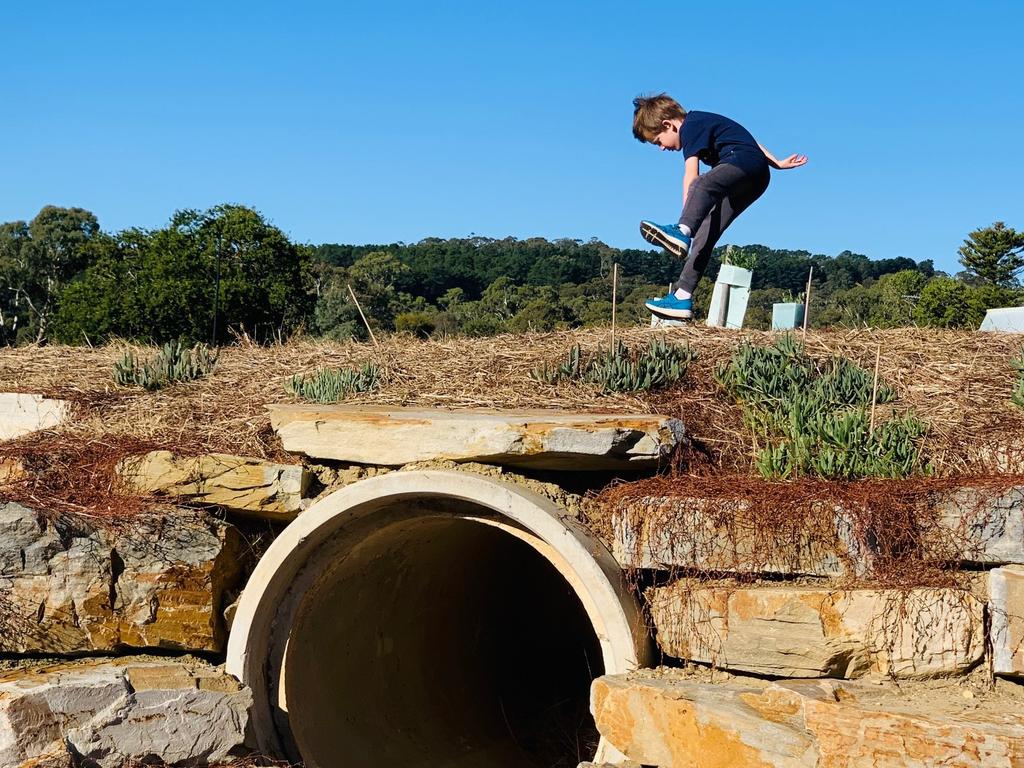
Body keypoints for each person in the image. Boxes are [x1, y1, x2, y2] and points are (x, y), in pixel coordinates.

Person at [632, 93, 807, 319]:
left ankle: (682, 232)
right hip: (756, 178)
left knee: (701, 183)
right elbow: (753, 142)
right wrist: (777, 163)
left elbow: (691, 175)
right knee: (707, 230)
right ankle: (682, 296)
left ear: (668, 125)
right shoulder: (704, 126)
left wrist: (684, 223)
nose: (662, 148)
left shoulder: (691, 126)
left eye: (658, 141)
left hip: (741, 162)